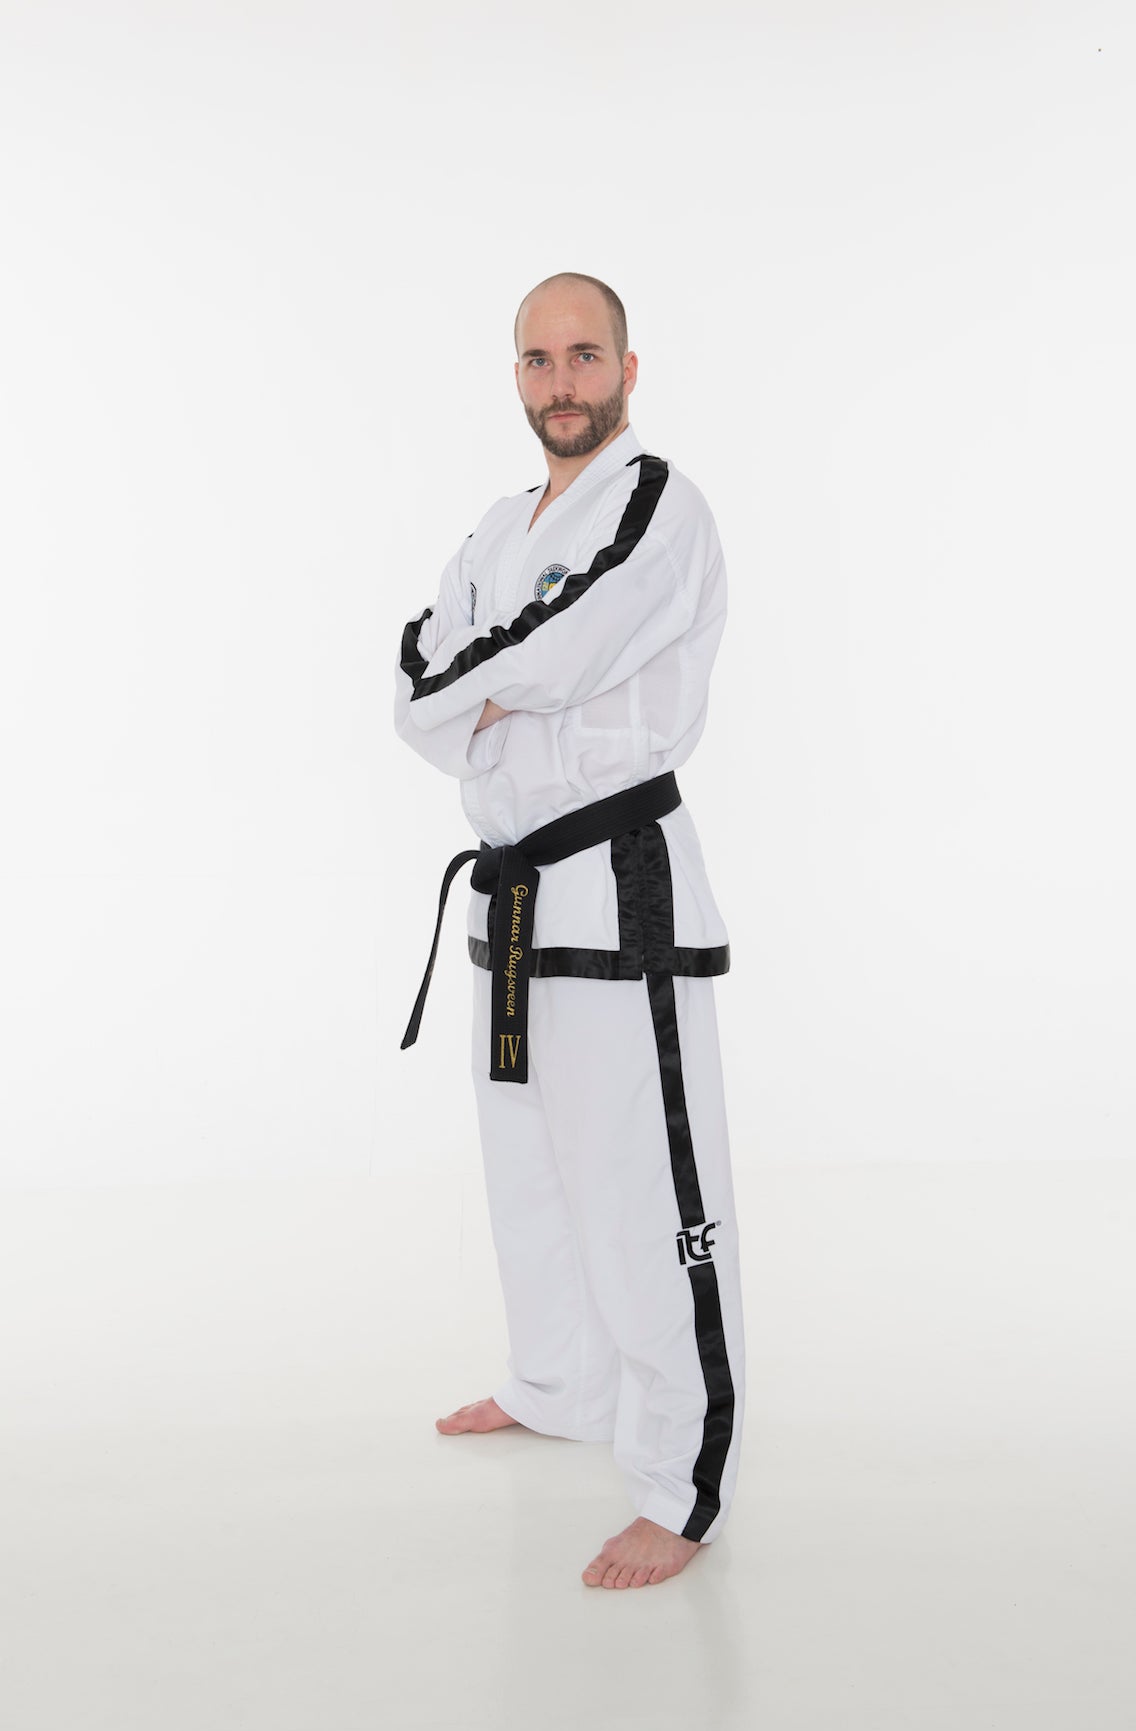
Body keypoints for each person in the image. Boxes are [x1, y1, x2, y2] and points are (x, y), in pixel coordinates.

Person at [394, 272, 746, 1590]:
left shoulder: (659, 505)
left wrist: (481, 689)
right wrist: (477, 692)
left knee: (644, 1184)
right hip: (510, 892)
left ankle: (681, 1480)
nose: (561, 381)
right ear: (518, 376)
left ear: (628, 370)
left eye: (584, 355)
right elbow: (416, 675)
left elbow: (560, 650)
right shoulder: (497, 528)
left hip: (617, 883)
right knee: (529, 1166)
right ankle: (557, 1381)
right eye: (539, 360)